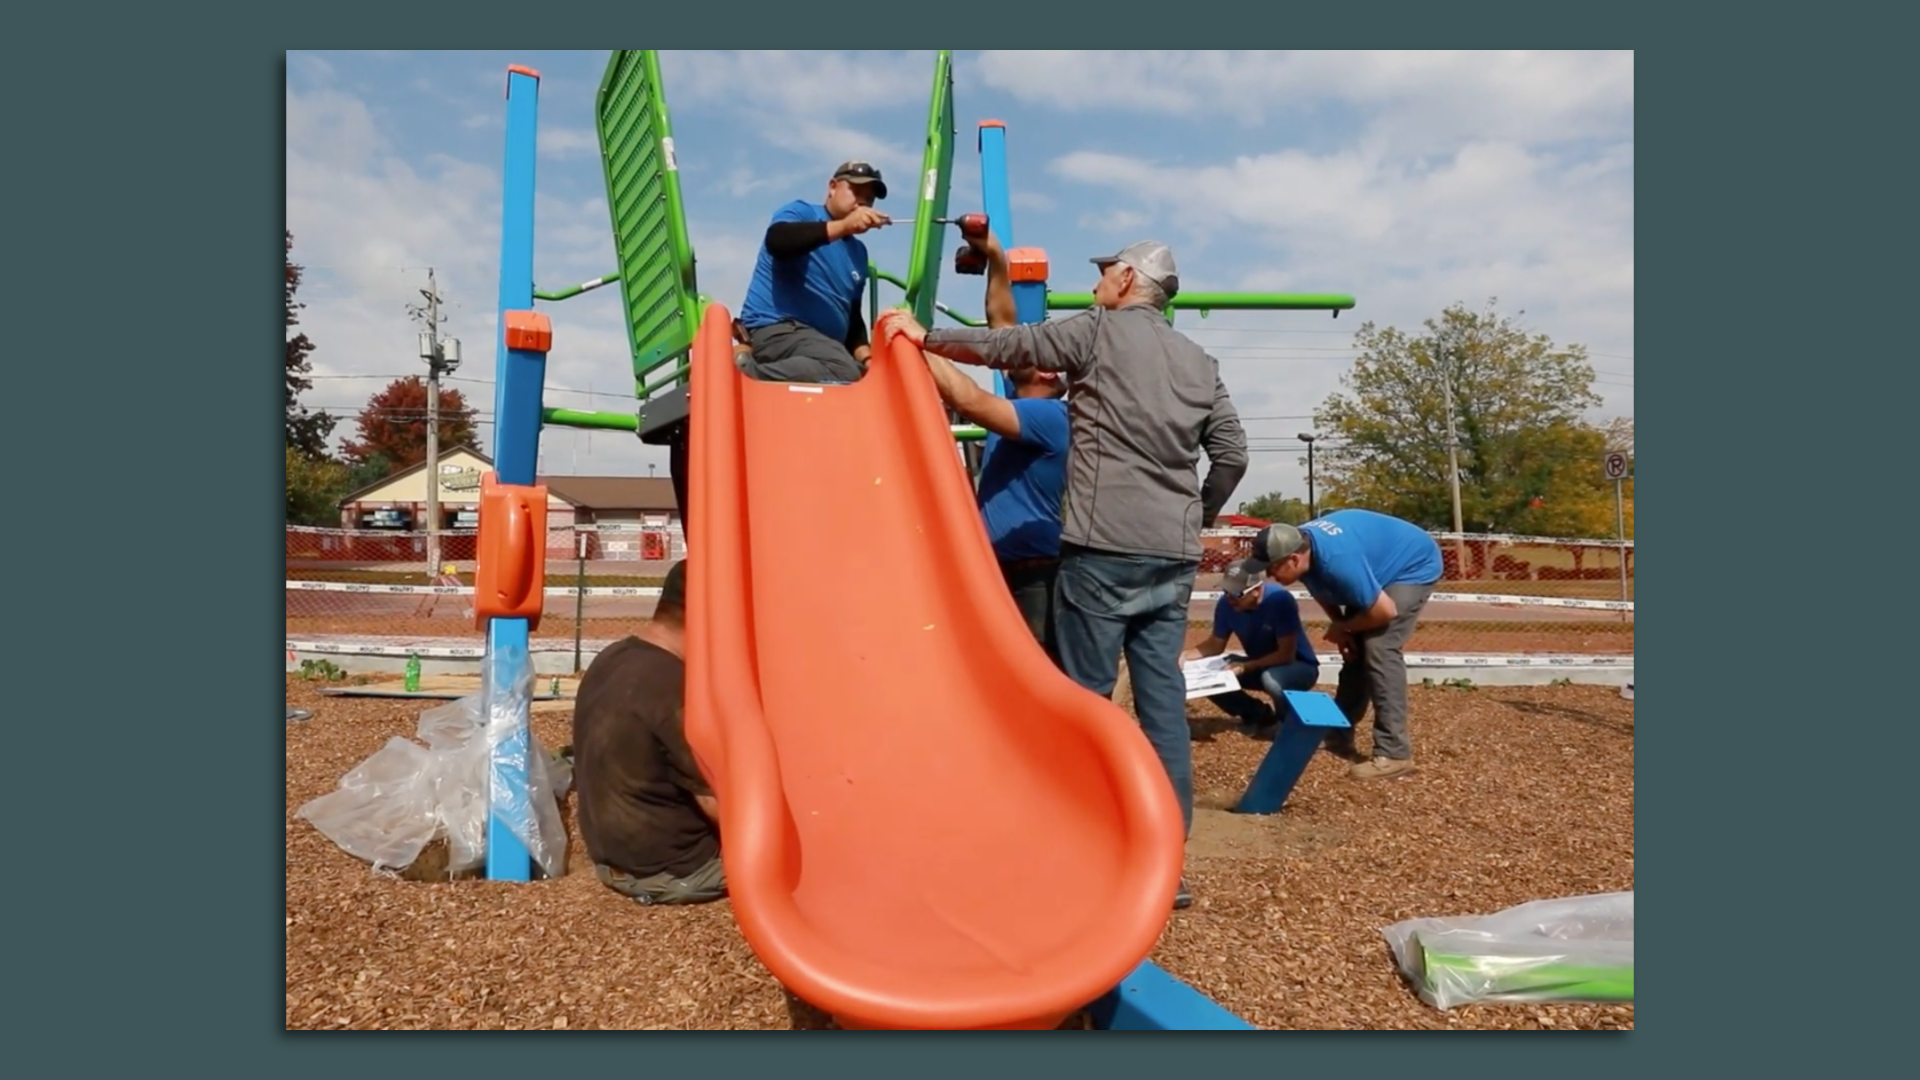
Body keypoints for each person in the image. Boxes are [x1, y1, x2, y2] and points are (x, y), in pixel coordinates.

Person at [893, 239, 1249, 911]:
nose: (1094, 288)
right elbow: (1231, 453)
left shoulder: (1099, 334)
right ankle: (1166, 864)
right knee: (1161, 705)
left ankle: (1081, 846)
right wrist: (1195, 513)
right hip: (1170, 554)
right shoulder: (1199, 362)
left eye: (1102, 276)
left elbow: (1009, 346)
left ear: (1125, 279)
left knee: (1083, 699)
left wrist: (926, 335)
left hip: (1100, 548)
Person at [912, 229, 1069, 661]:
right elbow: (1002, 323)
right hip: (1003, 569)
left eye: (1033, 353)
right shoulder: (1021, 401)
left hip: (1035, 575)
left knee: (1040, 667)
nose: (1020, 353)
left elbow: (966, 399)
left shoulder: (1052, 417)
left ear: (1050, 374)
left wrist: (918, 341)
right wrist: (996, 258)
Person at [569, 560, 725, 904]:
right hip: (675, 871)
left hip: (614, 861)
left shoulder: (612, 658)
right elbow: (724, 808)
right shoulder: (672, 687)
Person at [1248, 511, 1444, 779]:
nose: (1269, 575)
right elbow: (1320, 589)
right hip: (1370, 562)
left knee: (1379, 647)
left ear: (1293, 559)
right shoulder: (1301, 548)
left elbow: (1385, 612)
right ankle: (1338, 733)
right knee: (1356, 653)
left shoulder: (1337, 561)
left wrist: (1343, 628)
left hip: (1411, 562)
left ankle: (1395, 753)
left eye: (1270, 568)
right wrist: (1343, 627)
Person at [735, 160, 894, 385]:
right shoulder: (801, 212)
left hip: (823, 348)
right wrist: (845, 226)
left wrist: (868, 360)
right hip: (778, 329)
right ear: (832, 187)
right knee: (842, 370)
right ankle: (743, 372)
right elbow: (778, 241)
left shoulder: (859, 253)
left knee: (864, 377)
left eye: (869, 198)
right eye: (856, 191)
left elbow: (853, 319)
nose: (863, 203)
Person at [1180, 558, 1320, 737]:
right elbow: (1215, 645)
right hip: (1260, 665)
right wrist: (1184, 656)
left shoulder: (1279, 601)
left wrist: (1245, 667)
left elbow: (1286, 654)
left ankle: (1286, 724)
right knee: (1210, 675)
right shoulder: (1226, 605)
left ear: (1256, 590)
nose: (1229, 598)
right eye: (1226, 591)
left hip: (1298, 666)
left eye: (1236, 594)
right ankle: (1258, 716)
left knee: (1271, 679)